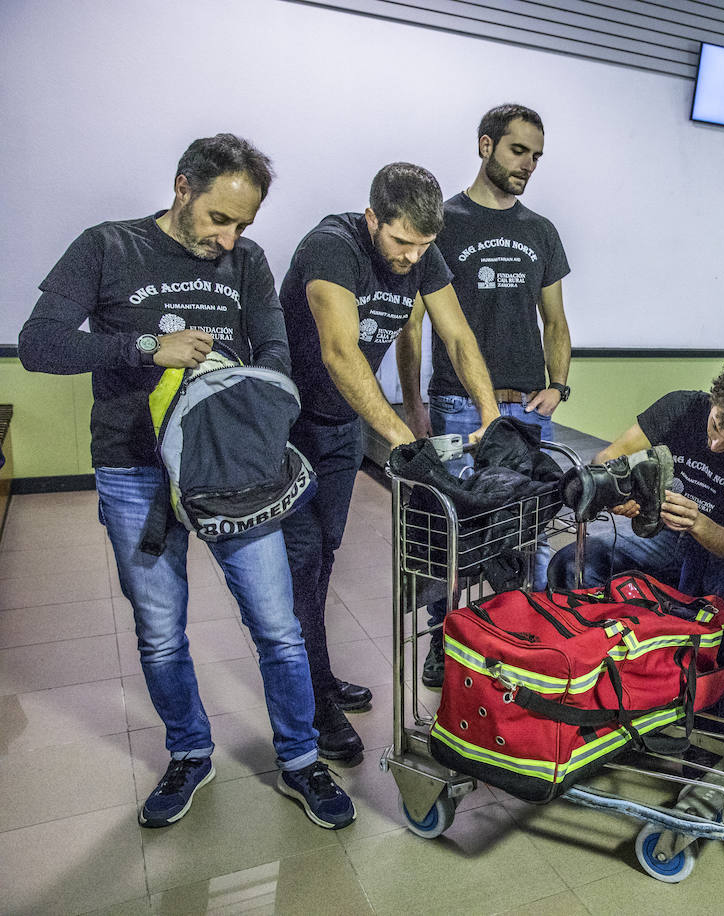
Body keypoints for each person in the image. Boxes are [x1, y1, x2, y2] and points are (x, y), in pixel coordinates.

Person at [18, 133, 355, 830]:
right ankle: (190, 752)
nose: (229, 239)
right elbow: (40, 343)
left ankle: (298, 759)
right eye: (219, 220)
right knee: (161, 631)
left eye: (244, 225)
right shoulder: (108, 247)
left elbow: (274, 353)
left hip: (232, 472)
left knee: (278, 627)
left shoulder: (248, 262)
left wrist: (235, 383)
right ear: (182, 189)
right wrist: (146, 346)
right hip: (133, 471)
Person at [279, 162, 499, 760]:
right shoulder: (331, 246)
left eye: (424, 245)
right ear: (372, 218)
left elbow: (457, 335)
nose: (411, 257)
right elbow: (339, 351)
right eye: (401, 242)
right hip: (290, 430)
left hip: (341, 430)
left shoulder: (423, 255)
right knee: (302, 564)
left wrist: (490, 415)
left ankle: (316, 677)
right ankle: (314, 704)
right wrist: (404, 439)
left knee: (324, 554)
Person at [404, 103, 571, 687]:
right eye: (518, 150)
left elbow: (554, 319)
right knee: (450, 531)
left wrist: (557, 387)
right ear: (485, 145)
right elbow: (415, 322)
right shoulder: (445, 223)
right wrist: (414, 402)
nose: (528, 165)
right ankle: (442, 641)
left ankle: (525, 636)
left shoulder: (540, 232)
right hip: (456, 403)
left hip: (527, 410)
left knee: (530, 528)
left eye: (536, 156)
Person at [547, 356, 724, 707]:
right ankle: (591, 686)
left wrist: (700, 523)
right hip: (666, 539)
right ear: (714, 401)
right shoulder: (681, 407)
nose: (715, 445)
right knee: (574, 562)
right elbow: (605, 461)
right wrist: (623, 492)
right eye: (715, 428)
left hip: (720, 553)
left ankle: (715, 709)